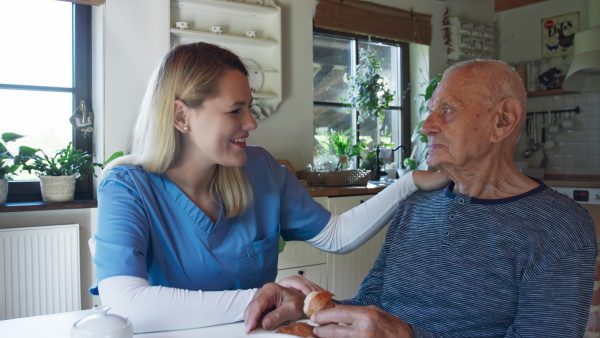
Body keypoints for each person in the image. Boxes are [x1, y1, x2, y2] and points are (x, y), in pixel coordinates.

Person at [90, 41, 449, 333]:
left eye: (250, 107)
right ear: (181, 116)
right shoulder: (127, 187)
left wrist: (409, 183)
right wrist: (268, 296)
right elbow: (126, 303)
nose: (250, 122)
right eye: (235, 110)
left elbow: (335, 236)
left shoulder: (259, 169)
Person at [244, 59, 597, 337]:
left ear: (503, 121)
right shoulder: (417, 205)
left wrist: (407, 335)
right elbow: (372, 304)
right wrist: (310, 308)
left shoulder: (559, 227)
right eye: (430, 110)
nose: (427, 125)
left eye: (447, 110)